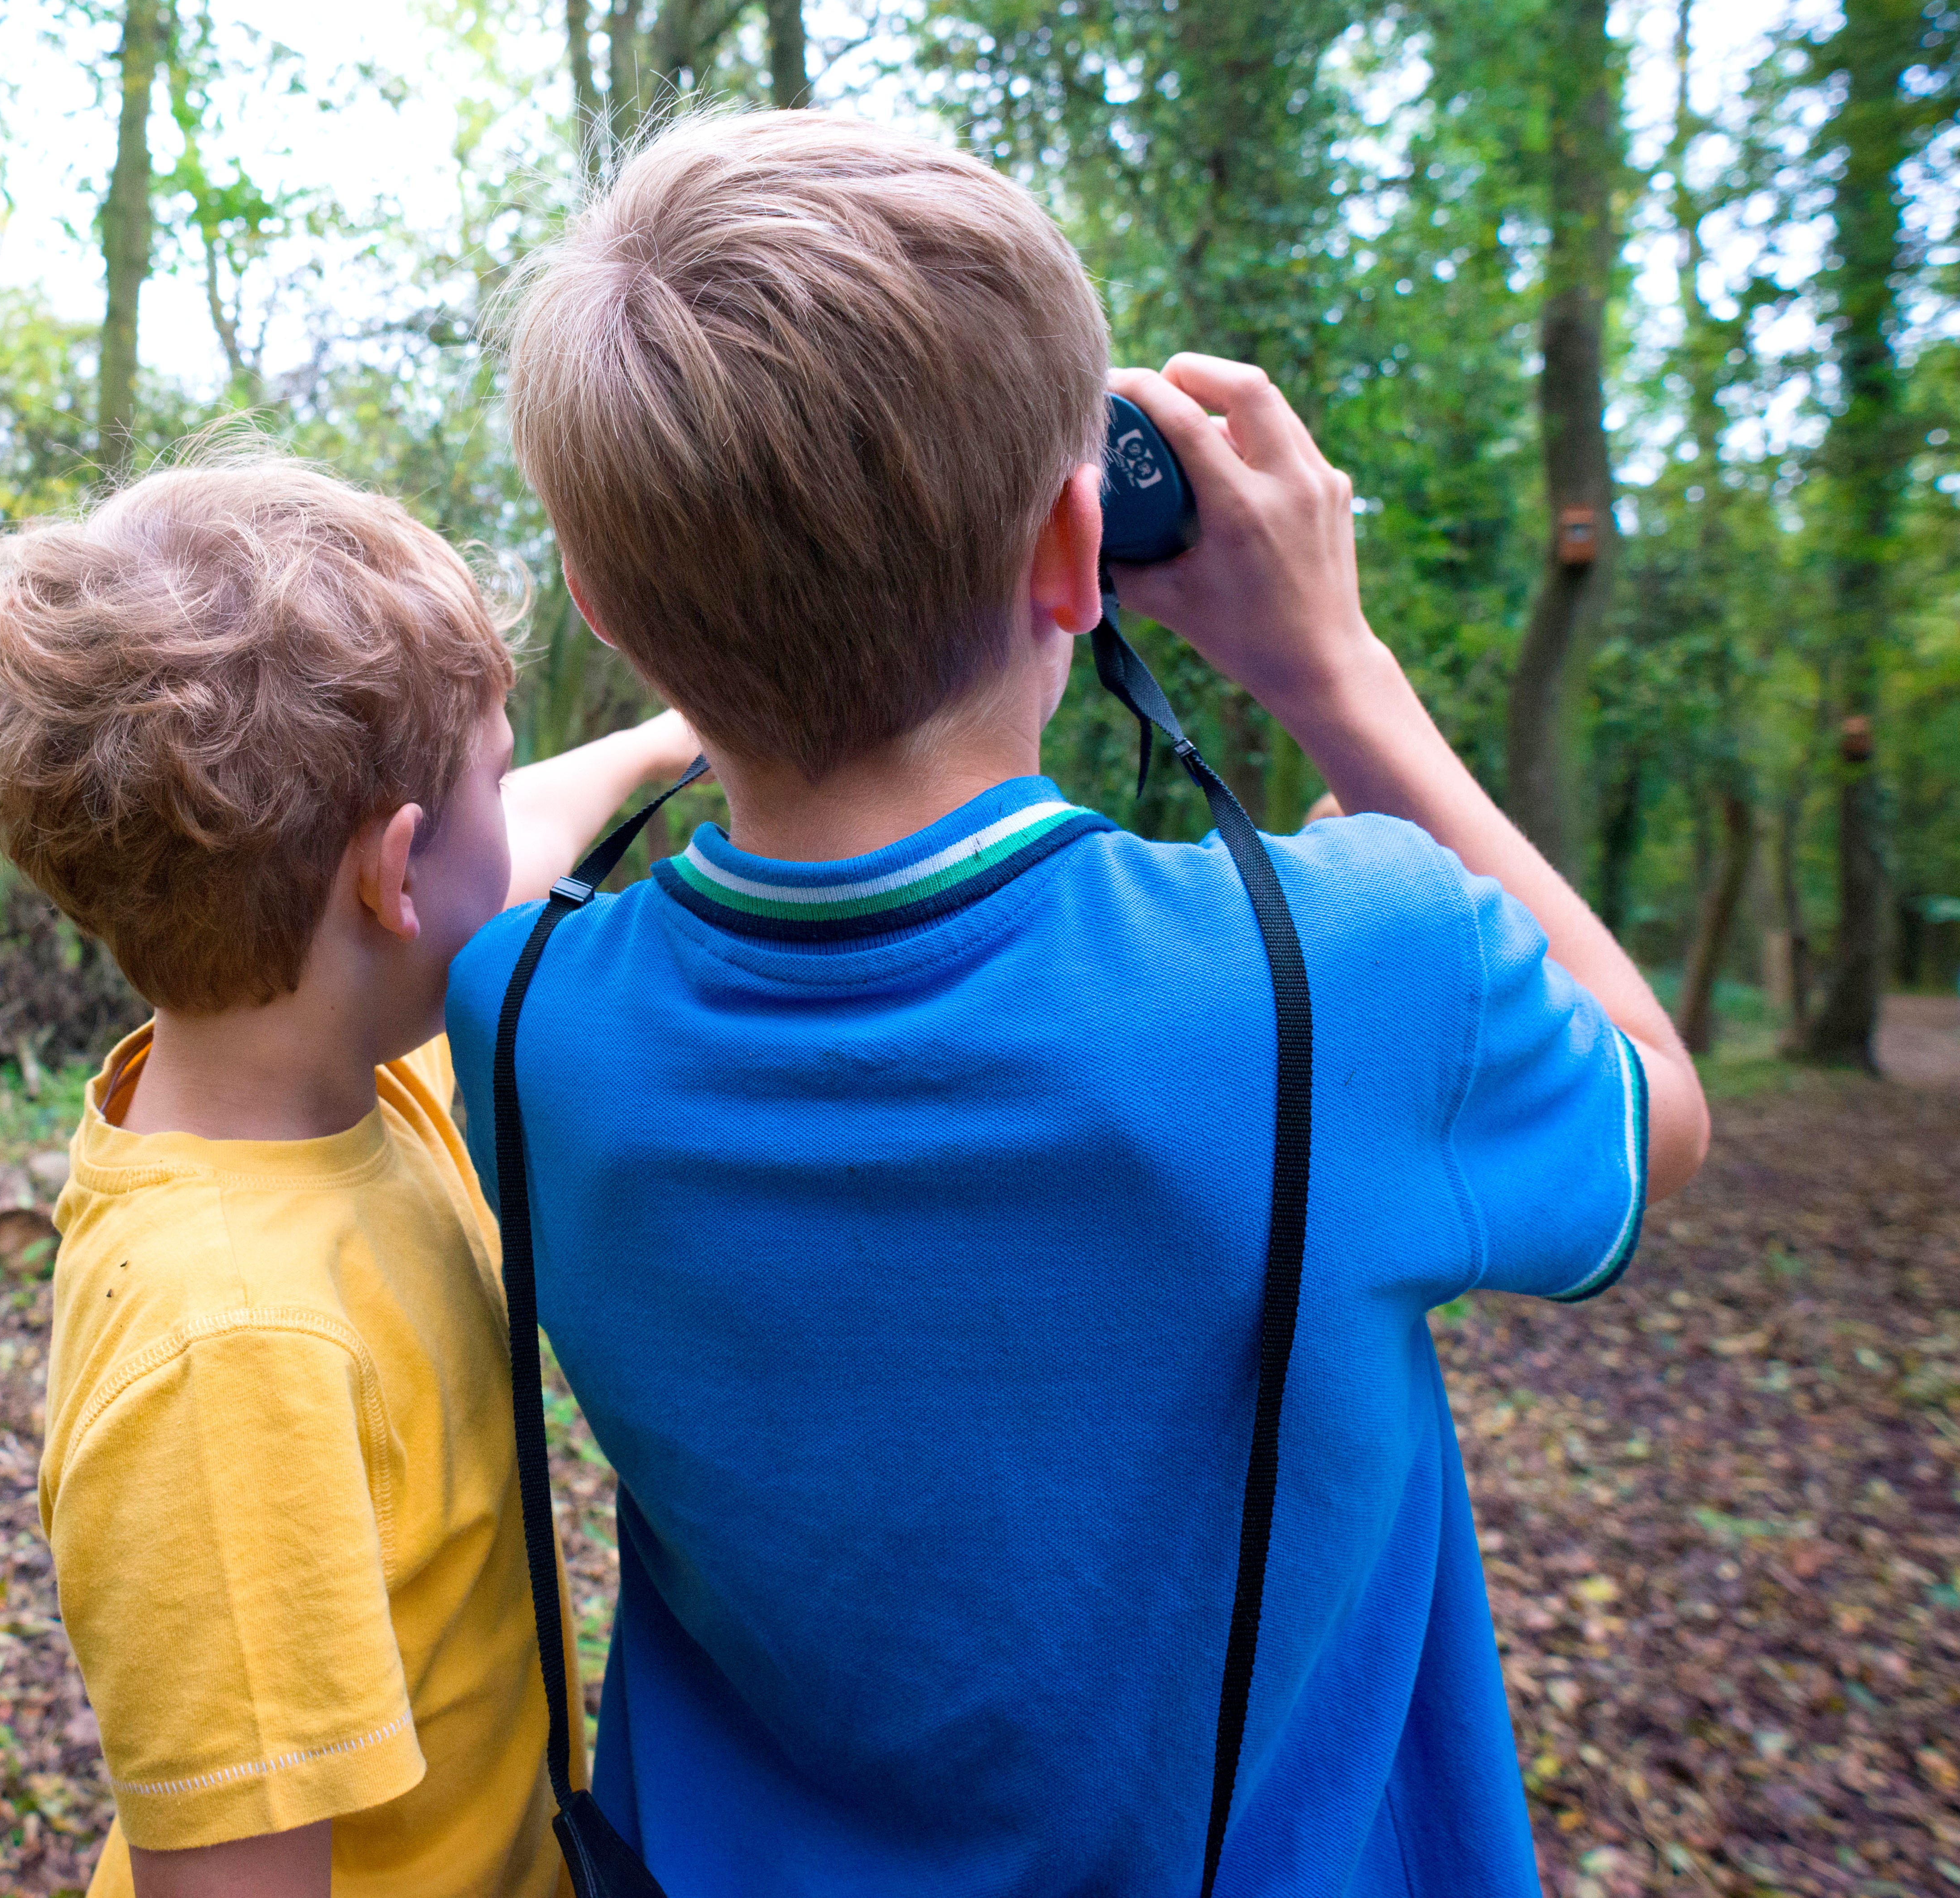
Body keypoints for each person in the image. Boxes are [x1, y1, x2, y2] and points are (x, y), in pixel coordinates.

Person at [445, 112, 1712, 1893]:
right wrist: (1330, 671)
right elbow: (1664, 1098)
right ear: (1078, 545)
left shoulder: (524, 1024)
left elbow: (486, 857)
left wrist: (695, 693)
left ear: (601, 603)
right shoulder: (1347, 968)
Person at [0, 452, 696, 1898]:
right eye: (490, 765)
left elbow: (504, 840)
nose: (517, 802)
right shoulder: (234, 1349)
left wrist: (673, 741)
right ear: (398, 875)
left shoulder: (328, 1067)